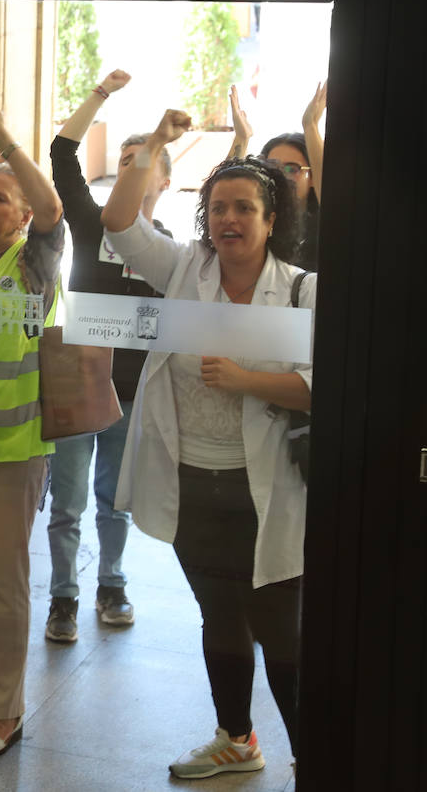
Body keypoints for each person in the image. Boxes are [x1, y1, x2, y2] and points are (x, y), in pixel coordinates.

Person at [102, 109, 314, 779]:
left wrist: (248, 379)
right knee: (217, 611)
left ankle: (316, 754)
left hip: (267, 487)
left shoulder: (303, 291)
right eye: (219, 207)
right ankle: (237, 740)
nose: (229, 219)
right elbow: (117, 224)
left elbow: (324, 389)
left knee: (279, 622)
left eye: (244, 208)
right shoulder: (181, 272)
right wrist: (156, 147)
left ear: (270, 219)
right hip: (193, 478)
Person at [43, 69, 172, 642]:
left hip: (131, 388)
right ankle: (63, 596)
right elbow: (63, 153)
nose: (132, 166)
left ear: (163, 180)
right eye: (125, 158)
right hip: (78, 381)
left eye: (145, 160)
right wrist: (100, 96)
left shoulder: (172, 252)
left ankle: (112, 583)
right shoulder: (91, 222)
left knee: (114, 502)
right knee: (66, 503)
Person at [0, 107, 65, 759]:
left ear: (24, 214)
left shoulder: (35, 264)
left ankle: (5, 709)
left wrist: (2, 140)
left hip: (13, 452)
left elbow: (57, 208)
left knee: (2, 583)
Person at [230, 82, 326, 270]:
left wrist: (311, 125)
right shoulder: (257, 220)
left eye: (292, 169)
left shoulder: (325, 225)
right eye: (272, 166)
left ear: (313, 178)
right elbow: (223, 193)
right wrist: (241, 138)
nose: (281, 176)